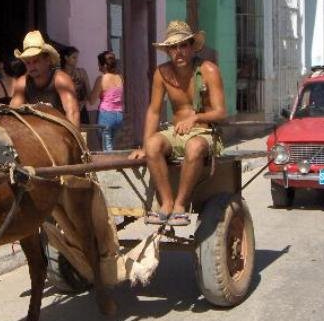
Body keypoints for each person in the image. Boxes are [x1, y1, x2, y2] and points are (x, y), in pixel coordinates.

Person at [129, 21, 227, 226]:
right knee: (153, 144)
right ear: (167, 51)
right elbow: (154, 111)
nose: (178, 52)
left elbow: (220, 113)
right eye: (173, 47)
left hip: (205, 132)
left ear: (192, 47)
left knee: (195, 146)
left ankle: (181, 206)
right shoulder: (162, 73)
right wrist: (144, 145)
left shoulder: (209, 70)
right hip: (176, 132)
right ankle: (166, 203)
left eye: (183, 45)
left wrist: (195, 117)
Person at [11, 30, 80, 127]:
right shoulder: (22, 83)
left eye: (35, 61)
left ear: (48, 60)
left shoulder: (61, 80)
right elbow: (14, 115)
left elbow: (73, 113)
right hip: (35, 136)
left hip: (60, 135)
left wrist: (72, 141)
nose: (31, 67)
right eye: (28, 62)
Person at [89, 50, 124, 151]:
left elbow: (92, 100)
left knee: (106, 148)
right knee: (111, 145)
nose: (98, 67)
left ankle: (110, 165)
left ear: (104, 65)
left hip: (106, 115)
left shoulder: (101, 79)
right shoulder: (120, 78)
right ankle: (113, 164)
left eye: (99, 64)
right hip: (119, 115)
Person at [60, 46, 91, 125]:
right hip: (65, 110)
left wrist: (83, 103)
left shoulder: (81, 72)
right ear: (66, 58)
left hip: (81, 111)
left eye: (77, 58)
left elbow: (88, 93)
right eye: (74, 58)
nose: (76, 60)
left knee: (83, 136)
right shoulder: (59, 74)